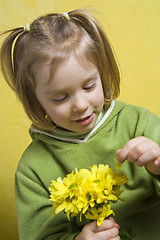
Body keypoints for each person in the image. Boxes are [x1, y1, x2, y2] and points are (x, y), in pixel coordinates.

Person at [0, 8, 160, 240]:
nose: (81, 105)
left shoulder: (138, 124)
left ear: (102, 74)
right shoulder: (33, 170)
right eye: (60, 98)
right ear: (36, 100)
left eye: (89, 86)